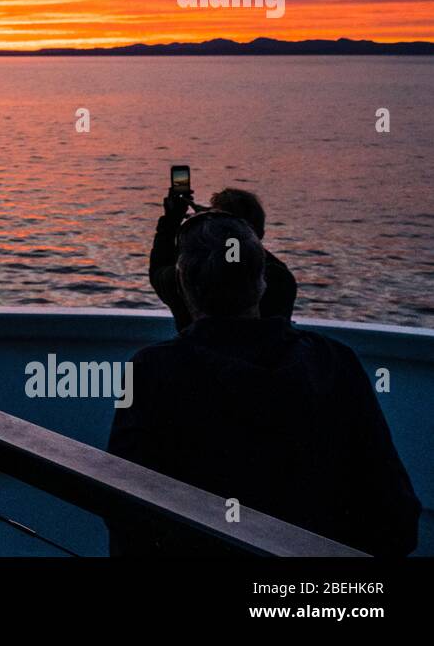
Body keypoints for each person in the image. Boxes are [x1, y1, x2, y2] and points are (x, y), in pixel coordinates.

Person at [109, 211, 420, 556]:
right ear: (261, 281)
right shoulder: (335, 363)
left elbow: (126, 510)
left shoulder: (152, 372)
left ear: (183, 285)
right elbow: (397, 520)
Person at [150, 186, 296, 332]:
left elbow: (160, 268)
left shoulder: (188, 279)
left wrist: (172, 218)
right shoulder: (280, 279)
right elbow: (240, 252)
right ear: (261, 233)